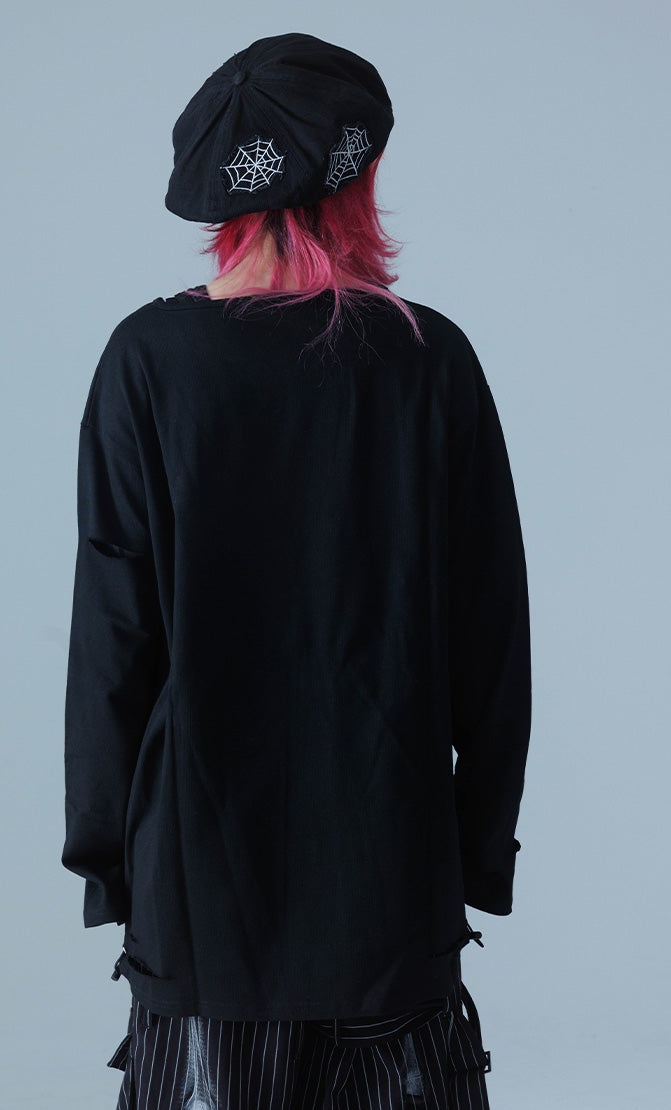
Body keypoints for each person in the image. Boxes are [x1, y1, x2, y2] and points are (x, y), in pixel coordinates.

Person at [61, 31, 532, 1109]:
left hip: (201, 897)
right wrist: (473, 852)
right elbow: (492, 637)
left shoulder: (149, 361)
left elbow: (114, 635)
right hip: (392, 882)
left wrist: (111, 863)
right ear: (356, 183)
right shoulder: (431, 360)